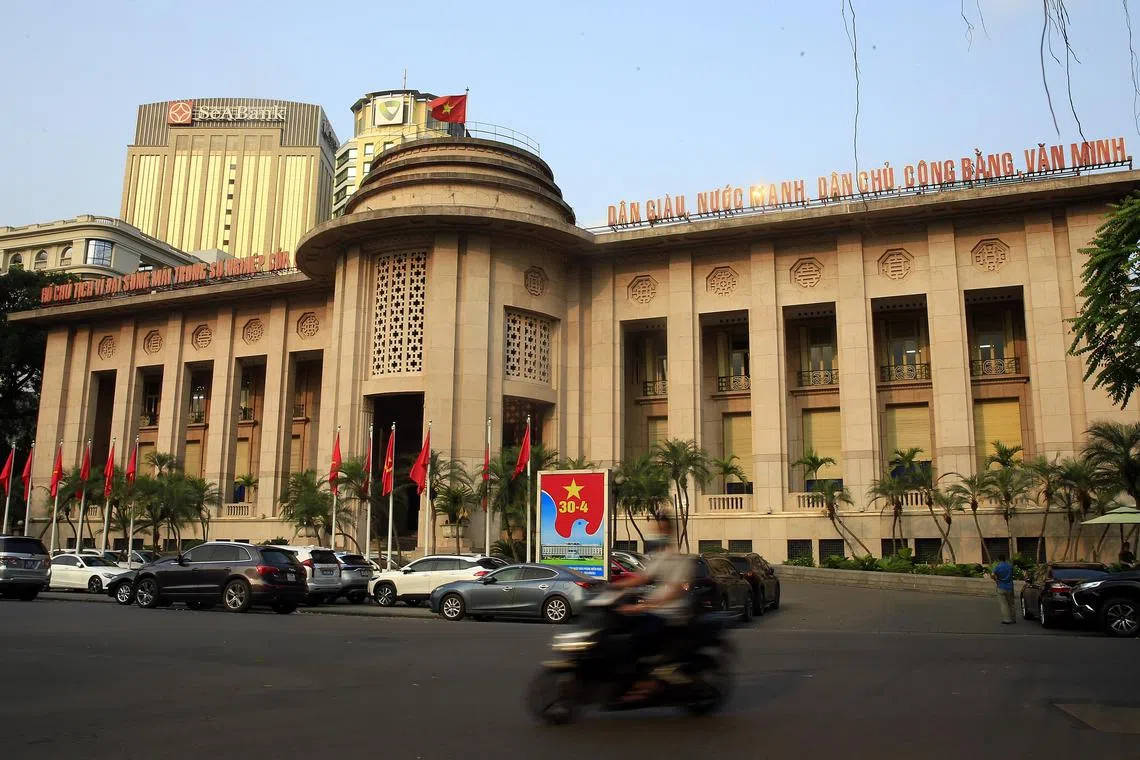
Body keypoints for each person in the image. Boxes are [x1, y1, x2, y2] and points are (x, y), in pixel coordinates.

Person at [609, 512, 695, 700]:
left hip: (670, 614)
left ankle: (648, 683)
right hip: (654, 611)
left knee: (635, 638)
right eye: (658, 529)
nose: (659, 533)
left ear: (669, 532)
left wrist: (645, 606)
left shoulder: (680, 560)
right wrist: (613, 586)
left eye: (662, 529)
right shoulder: (658, 557)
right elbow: (642, 578)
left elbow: (676, 590)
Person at [989, 554, 1016, 625]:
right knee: (1011, 603)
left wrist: (996, 580)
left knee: (1003, 604)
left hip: (1001, 586)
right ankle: (1013, 618)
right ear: (1005, 559)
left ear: (998, 559)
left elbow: (992, 574)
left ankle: (1007, 619)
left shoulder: (997, 567)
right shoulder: (1009, 566)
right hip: (1010, 586)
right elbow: (1013, 573)